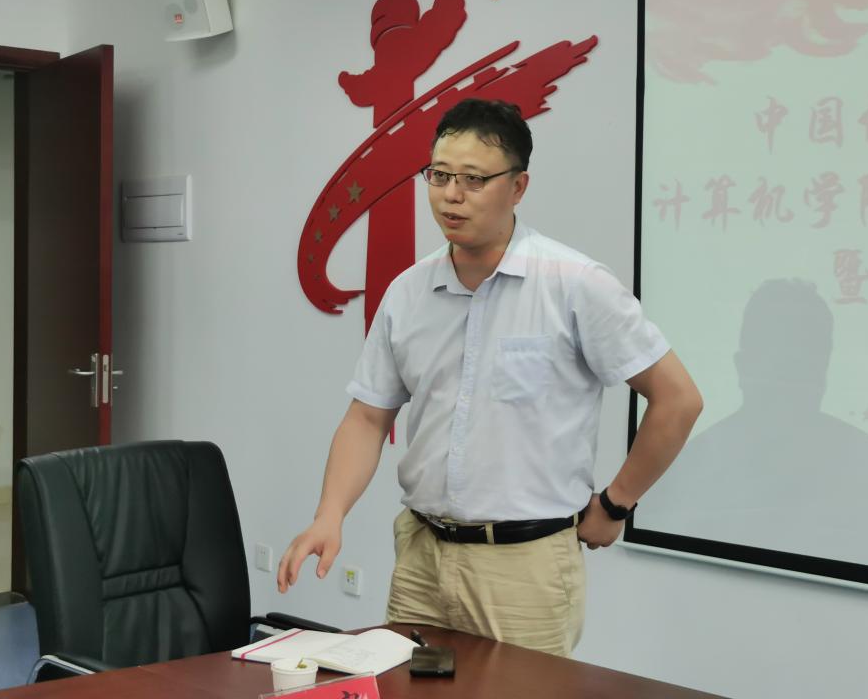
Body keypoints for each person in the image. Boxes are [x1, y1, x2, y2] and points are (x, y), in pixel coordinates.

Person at [277, 98, 702, 656]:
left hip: (525, 568)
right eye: (439, 176)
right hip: (422, 557)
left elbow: (677, 400)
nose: (451, 195)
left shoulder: (575, 284)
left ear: (518, 187)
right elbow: (367, 417)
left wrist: (617, 504)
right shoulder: (408, 292)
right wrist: (329, 514)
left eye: (473, 180)